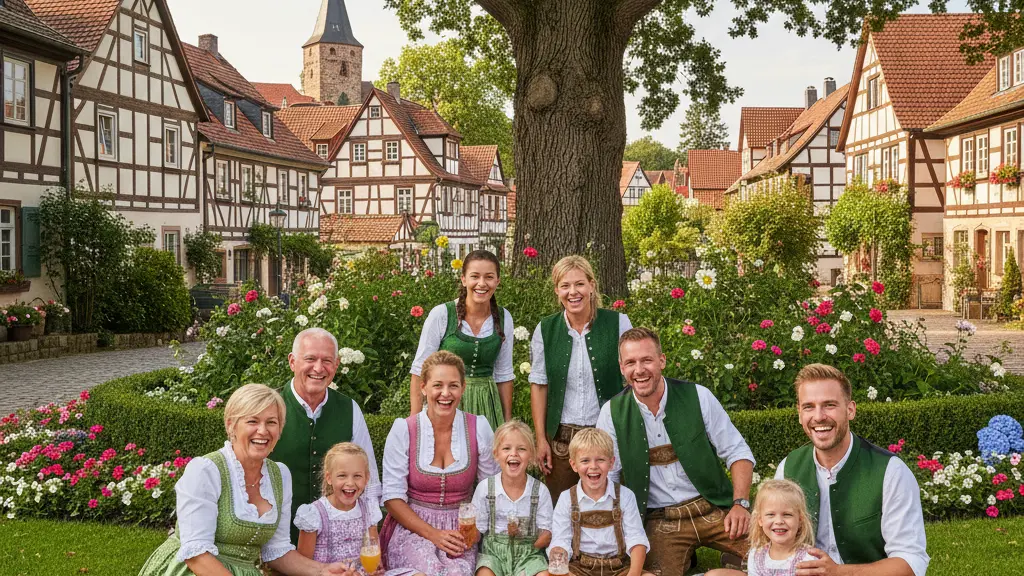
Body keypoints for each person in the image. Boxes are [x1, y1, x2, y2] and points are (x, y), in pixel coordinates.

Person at [138, 384, 356, 576]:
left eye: (272, 422)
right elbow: (197, 555)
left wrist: (322, 570)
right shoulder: (206, 470)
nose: (263, 431)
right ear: (232, 425)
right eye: (252, 421)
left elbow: (276, 550)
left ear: (280, 429)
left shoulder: (280, 476)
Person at [596, 328, 755, 575]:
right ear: (621, 367)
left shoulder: (698, 396)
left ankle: (734, 562)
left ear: (662, 360)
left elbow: (737, 452)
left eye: (647, 360)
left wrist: (740, 504)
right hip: (661, 521)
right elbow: (609, 478)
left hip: (715, 509)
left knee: (781, 554)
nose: (639, 370)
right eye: (630, 363)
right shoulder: (611, 413)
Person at [775, 364, 929, 576]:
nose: (819, 417)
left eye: (829, 405)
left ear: (850, 410)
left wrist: (838, 572)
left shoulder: (890, 471)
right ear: (799, 413)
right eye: (809, 407)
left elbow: (911, 563)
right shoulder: (788, 468)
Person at [381, 350, 501, 575]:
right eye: (438, 385)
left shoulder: (479, 427)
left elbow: (490, 491)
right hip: (414, 528)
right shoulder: (404, 430)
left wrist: (475, 531)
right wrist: (433, 534)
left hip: (462, 529)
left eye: (453, 385)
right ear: (424, 387)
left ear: (463, 388)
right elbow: (392, 497)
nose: (445, 393)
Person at [530, 256, 632, 497]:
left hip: (607, 436)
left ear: (591, 285)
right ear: (557, 290)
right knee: (561, 512)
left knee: (609, 508)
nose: (572, 292)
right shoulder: (545, 329)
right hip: (561, 442)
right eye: (565, 286)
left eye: (579, 284)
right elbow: (539, 385)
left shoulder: (618, 323)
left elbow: (631, 379)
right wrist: (541, 438)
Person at [271, 328, 382, 544]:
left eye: (327, 361)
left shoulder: (349, 409)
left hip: (339, 540)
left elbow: (369, 481)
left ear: (337, 365)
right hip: (277, 539)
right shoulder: (269, 407)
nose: (319, 368)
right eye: (310, 359)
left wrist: (371, 543)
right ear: (292, 362)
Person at [410, 249, 515, 427]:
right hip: (447, 402)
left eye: (489, 277)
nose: (481, 283)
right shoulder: (442, 314)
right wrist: (414, 422)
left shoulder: (504, 318)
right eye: (475, 276)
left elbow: (504, 375)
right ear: (464, 279)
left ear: (497, 281)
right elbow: (419, 370)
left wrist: (506, 423)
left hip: (487, 406)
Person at [295, 442, 414, 574]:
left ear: (367, 478)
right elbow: (303, 567)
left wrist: (376, 570)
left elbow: (375, 557)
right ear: (329, 478)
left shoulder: (368, 510)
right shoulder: (314, 514)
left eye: (357, 476)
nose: (350, 483)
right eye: (342, 475)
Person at [548, 427, 652, 576]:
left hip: (619, 567)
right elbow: (560, 543)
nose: (593, 466)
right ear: (574, 465)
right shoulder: (566, 499)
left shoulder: (625, 496)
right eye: (585, 460)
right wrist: (561, 569)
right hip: (580, 568)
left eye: (600, 460)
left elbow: (637, 540)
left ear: (611, 463)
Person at [472, 420, 553, 576]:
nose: (514, 453)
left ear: (531, 455)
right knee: (484, 573)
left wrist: (530, 543)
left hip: (529, 555)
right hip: (493, 555)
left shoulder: (539, 491)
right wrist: (468, 531)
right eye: (506, 448)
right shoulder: (486, 488)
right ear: (496, 454)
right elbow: (478, 531)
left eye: (521, 449)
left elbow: (546, 532)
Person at [707, 479, 816, 576]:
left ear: (800, 520)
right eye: (771, 515)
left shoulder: (808, 557)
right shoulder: (757, 554)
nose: (778, 521)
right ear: (760, 520)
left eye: (787, 514)